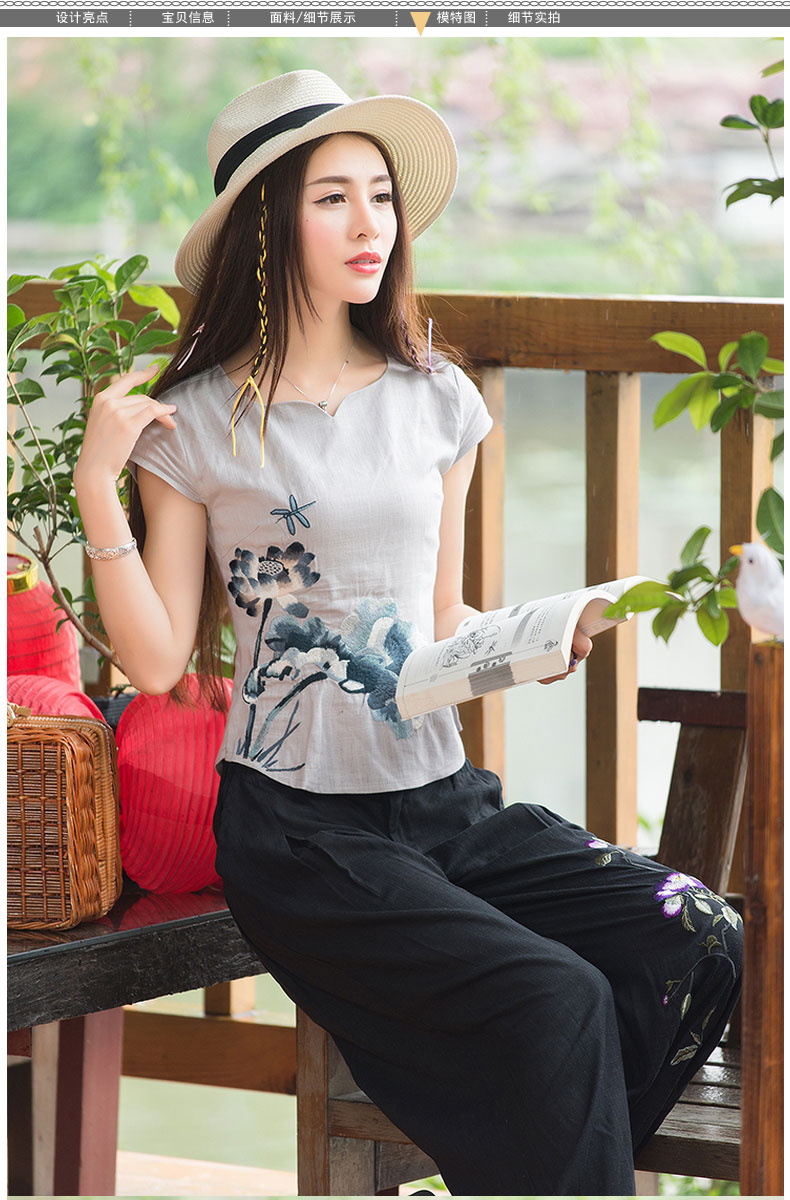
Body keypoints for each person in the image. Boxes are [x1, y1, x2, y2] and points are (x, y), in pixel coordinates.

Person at [74, 70, 743, 1196]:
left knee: (698, 932)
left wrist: (528, 639)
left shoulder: (439, 400)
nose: (369, 225)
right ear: (268, 224)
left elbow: (436, 617)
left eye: (380, 196)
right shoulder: (194, 423)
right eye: (332, 198)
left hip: (442, 805)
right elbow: (154, 660)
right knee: (557, 999)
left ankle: (548, 1166)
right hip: (299, 835)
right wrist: (100, 486)